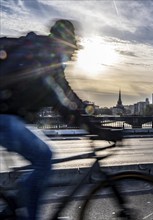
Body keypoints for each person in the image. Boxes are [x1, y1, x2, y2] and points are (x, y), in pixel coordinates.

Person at [0, 19, 121, 220]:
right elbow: (59, 102)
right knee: (44, 157)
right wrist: (95, 129)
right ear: (62, 42)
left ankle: (19, 203)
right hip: (4, 118)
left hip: (9, 116)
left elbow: (69, 95)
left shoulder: (48, 60)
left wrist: (92, 120)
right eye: (71, 46)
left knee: (43, 158)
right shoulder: (41, 61)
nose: (72, 53)